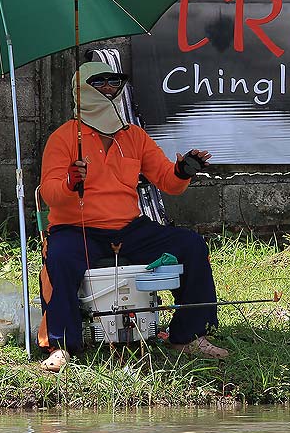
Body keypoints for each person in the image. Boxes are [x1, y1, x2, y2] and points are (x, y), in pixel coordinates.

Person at [37, 62, 227, 371]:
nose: (111, 88)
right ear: (81, 90)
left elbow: (168, 180)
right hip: (76, 229)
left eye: (115, 82)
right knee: (59, 257)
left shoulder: (133, 136)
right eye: (102, 83)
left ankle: (187, 336)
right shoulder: (63, 137)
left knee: (190, 244)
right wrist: (70, 182)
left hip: (129, 229)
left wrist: (183, 170)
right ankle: (61, 346)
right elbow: (49, 193)